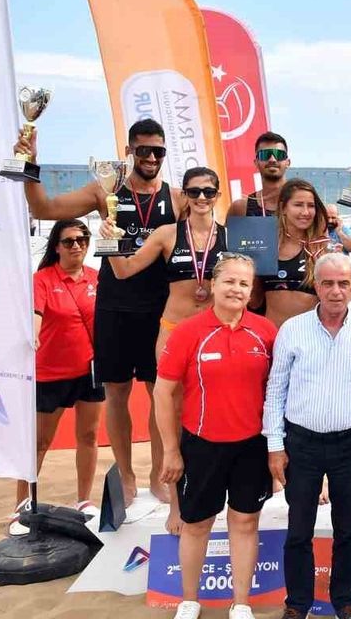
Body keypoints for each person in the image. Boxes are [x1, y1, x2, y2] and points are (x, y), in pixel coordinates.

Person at [13, 118, 182, 505]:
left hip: (159, 311)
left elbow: (203, 237)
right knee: (117, 395)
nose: (151, 158)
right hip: (114, 306)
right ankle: (126, 475)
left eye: (158, 151)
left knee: (160, 395)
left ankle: (158, 476)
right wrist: (30, 164)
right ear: (129, 151)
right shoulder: (106, 189)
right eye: (143, 150)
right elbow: (43, 208)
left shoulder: (175, 199)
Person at [154, 253, 277, 619]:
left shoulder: (266, 332)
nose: (236, 289)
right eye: (229, 281)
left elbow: (279, 391)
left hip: (251, 446)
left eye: (244, 283)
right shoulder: (188, 331)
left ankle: (241, 603)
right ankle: (189, 600)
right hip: (201, 445)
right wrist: (171, 450)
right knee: (196, 524)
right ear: (213, 284)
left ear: (252, 290)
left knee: (245, 522)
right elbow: (163, 393)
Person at [264, 253, 351, 619]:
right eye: (328, 283)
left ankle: (345, 601)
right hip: (301, 443)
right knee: (299, 528)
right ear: (315, 286)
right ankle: (297, 604)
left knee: (347, 528)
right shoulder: (292, 330)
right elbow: (276, 391)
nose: (335, 291)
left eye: (343, 284)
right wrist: (275, 445)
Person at [105, 166, 227, 517]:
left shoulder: (230, 236)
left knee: (212, 410)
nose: (201, 197)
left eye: (208, 191)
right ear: (183, 196)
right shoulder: (167, 233)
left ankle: (209, 488)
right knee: (170, 412)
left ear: (217, 195)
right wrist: (109, 240)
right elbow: (124, 271)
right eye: (194, 191)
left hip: (213, 332)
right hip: (173, 331)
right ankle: (175, 500)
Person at [11, 220, 104, 535]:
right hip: (50, 372)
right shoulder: (42, 279)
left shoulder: (96, 277)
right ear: (56, 246)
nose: (76, 245)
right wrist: (33, 336)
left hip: (90, 370)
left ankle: (84, 500)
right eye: (68, 241)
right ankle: (21, 507)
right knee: (39, 443)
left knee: (88, 436)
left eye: (82, 239)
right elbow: (35, 315)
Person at [261, 179, 328, 327]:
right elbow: (254, 299)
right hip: (272, 334)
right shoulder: (266, 245)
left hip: (309, 335)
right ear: (283, 208)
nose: (305, 212)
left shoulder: (321, 248)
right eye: (298, 205)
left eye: (311, 206)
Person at [228, 132, 292, 217]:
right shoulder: (240, 208)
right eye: (265, 155)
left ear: (288, 162)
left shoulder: (305, 203)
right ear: (256, 163)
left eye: (279, 155)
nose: (272, 159)